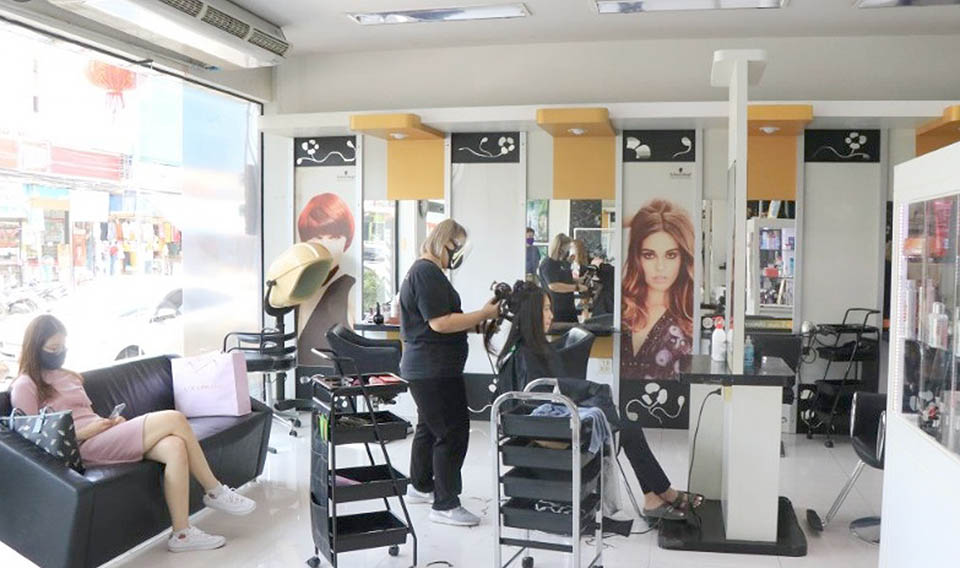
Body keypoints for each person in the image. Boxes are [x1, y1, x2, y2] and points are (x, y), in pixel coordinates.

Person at [9, 315, 256, 553]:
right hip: (82, 447)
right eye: (53, 348)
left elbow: (86, 413)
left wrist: (109, 423)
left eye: (63, 346)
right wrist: (86, 431)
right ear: (35, 347)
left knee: (175, 446)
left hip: (102, 434)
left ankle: (182, 534)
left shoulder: (68, 376)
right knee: (175, 419)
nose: (60, 352)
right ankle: (214, 490)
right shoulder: (24, 386)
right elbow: (39, 441)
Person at [488, 283, 702, 521]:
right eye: (546, 309)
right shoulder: (527, 355)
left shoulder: (527, 349)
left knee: (625, 426)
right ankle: (662, 494)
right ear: (530, 314)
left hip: (552, 427)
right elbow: (539, 410)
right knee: (627, 428)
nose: (551, 315)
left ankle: (655, 496)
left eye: (550, 309)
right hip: (549, 436)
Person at [399, 219, 500, 527]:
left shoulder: (427, 273)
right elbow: (440, 323)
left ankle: (421, 486)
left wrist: (478, 323)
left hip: (428, 368)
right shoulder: (426, 272)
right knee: (452, 432)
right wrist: (482, 314)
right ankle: (445, 504)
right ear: (444, 243)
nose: (458, 254)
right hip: (434, 370)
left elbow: (443, 321)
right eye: (456, 247)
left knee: (429, 428)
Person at [621, 199, 695, 380]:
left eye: (671, 255)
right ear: (637, 258)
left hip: (673, 398)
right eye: (649, 255)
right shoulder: (623, 308)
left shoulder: (689, 317)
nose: (660, 267)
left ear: (682, 259)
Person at [296, 192, 356, 365]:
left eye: (334, 237)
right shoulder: (295, 284)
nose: (326, 246)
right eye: (317, 237)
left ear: (346, 241)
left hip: (337, 375)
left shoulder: (350, 289)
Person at [538, 233, 585, 324]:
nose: (568, 251)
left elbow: (563, 279)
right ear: (560, 248)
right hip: (556, 308)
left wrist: (578, 281)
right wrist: (577, 288)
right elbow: (554, 286)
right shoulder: (548, 264)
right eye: (567, 248)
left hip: (568, 306)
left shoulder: (561, 262)